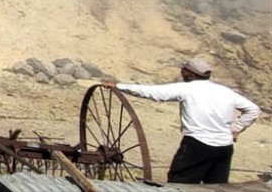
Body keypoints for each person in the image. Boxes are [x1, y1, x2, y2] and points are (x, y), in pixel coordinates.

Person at [105, 59, 261, 184]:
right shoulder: (225, 91)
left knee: (179, 184)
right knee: (217, 187)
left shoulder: (187, 89)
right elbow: (253, 109)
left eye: (183, 72)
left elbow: (153, 92)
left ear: (191, 75)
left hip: (197, 145)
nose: (181, 74)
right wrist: (235, 128)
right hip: (224, 148)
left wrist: (118, 86)